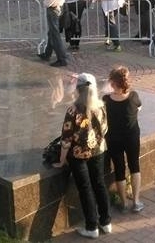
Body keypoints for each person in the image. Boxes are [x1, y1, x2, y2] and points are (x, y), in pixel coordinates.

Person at [52, 73, 112, 239]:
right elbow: (105, 129)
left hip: (78, 155)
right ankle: (106, 222)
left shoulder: (73, 110)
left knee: (85, 189)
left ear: (78, 90)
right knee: (99, 184)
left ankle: (91, 227)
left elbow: (66, 139)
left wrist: (62, 160)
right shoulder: (100, 106)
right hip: (98, 151)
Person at [103, 66, 144, 214]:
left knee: (119, 169)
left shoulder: (106, 99)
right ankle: (137, 201)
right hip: (131, 136)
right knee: (135, 166)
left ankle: (124, 203)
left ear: (113, 83)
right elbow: (139, 107)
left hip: (113, 138)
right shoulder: (133, 96)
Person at [38, 0, 69, 67]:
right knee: (51, 33)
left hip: (53, 9)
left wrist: (44, 2)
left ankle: (62, 58)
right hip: (60, 7)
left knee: (55, 34)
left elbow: (49, 1)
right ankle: (47, 53)